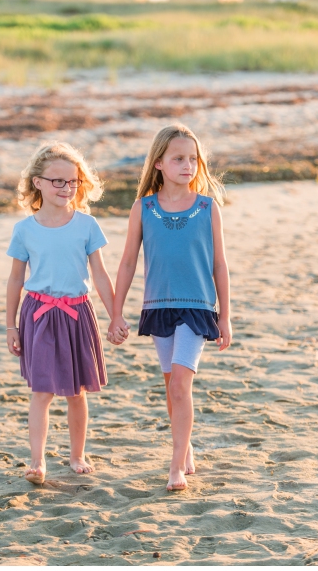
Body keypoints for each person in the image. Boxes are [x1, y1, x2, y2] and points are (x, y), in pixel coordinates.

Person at [109, 123, 232, 491]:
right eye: (179, 158)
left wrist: (225, 316)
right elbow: (128, 262)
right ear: (159, 162)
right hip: (158, 306)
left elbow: (220, 265)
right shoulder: (143, 208)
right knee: (170, 386)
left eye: (193, 159)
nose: (188, 165)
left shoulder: (208, 208)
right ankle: (186, 446)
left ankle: (176, 465)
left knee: (181, 384)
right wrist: (117, 312)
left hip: (197, 307)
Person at [6, 142, 124, 485]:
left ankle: (76, 455)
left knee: (76, 392)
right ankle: (37, 462)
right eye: (57, 181)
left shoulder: (87, 225)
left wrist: (115, 315)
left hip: (78, 313)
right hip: (38, 315)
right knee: (41, 392)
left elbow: (100, 274)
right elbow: (16, 279)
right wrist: (9, 326)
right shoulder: (24, 229)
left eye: (72, 181)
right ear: (37, 183)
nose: (65, 188)